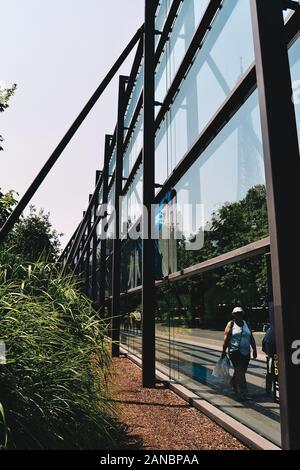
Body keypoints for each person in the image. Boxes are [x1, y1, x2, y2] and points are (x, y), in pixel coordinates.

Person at [221, 307, 257, 400]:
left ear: (243, 314)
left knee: (241, 371)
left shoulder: (246, 324)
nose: (238, 315)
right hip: (235, 352)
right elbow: (226, 339)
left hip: (246, 352)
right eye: (236, 313)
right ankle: (242, 393)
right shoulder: (231, 324)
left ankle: (233, 383)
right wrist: (223, 351)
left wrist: (254, 349)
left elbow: (251, 337)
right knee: (240, 371)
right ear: (233, 314)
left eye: (240, 313)